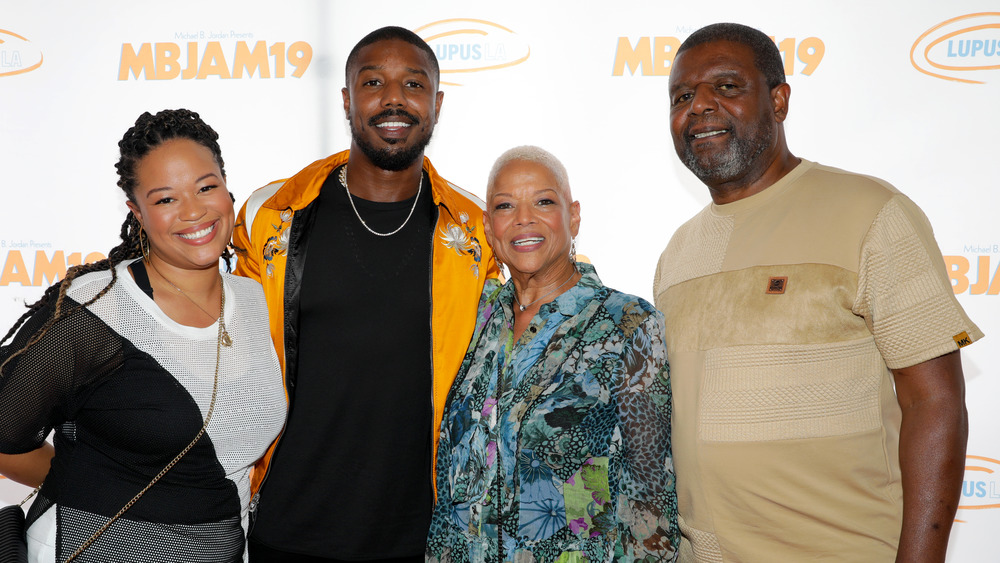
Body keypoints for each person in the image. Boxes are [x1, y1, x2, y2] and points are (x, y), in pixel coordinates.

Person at [653, 22, 981, 562]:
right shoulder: (677, 253)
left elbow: (935, 402)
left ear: (779, 100)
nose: (700, 106)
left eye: (727, 86)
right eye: (682, 96)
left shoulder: (871, 213)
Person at [234, 26, 498, 561]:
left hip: (423, 537)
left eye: (414, 84)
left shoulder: (475, 232)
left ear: (437, 104)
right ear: (347, 99)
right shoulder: (273, 218)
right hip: (289, 529)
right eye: (374, 82)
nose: (394, 99)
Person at [0, 108, 286, 562]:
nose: (194, 211)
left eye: (206, 187)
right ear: (136, 212)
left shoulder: (254, 298)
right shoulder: (94, 308)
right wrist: (90, 478)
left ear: (228, 190)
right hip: (93, 548)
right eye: (166, 199)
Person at [426, 146, 680, 561]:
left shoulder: (628, 324)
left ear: (573, 215)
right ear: (489, 227)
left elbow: (650, 496)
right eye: (506, 206)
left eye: (543, 202)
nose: (524, 218)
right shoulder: (471, 320)